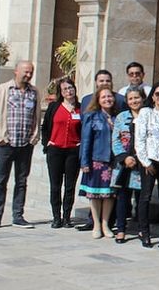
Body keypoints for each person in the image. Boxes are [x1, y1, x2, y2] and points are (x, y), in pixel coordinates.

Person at [134, 82, 159, 247]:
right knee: (146, 196)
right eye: (158, 94)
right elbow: (140, 138)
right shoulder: (146, 112)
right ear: (153, 96)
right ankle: (144, 231)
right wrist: (145, 161)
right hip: (149, 159)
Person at [78, 87, 118, 238]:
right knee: (94, 195)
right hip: (97, 161)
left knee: (109, 195)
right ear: (98, 100)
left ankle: (105, 223)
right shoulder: (92, 116)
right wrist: (84, 162)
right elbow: (86, 140)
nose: (107, 99)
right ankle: (96, 224)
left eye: (109, 96)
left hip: (113, 162)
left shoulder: (117, 117)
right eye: (104, 97)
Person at [41, 76, 81, 228]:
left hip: (73, 151)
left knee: (70, 186)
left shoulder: (80, 107)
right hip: (55, 150)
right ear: (61, 92)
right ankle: (56, 217)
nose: (68, 91)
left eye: (70, 88)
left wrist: (80, 143)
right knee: (55, 185)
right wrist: (47, 143)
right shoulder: (54, 107)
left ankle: (67, 217)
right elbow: (45, 127)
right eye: (65, 89)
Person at [111, 87, 145, 244]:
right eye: (131, 99)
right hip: (124, 164)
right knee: (122, 198)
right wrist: (124, 158)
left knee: (141, 199)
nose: (134, 101)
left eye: (137, 98)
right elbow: (116, 140)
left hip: (142, 164)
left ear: (142, 98)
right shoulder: (121, 117)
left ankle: (141, 229)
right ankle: (121, 229)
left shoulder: (148, 115)